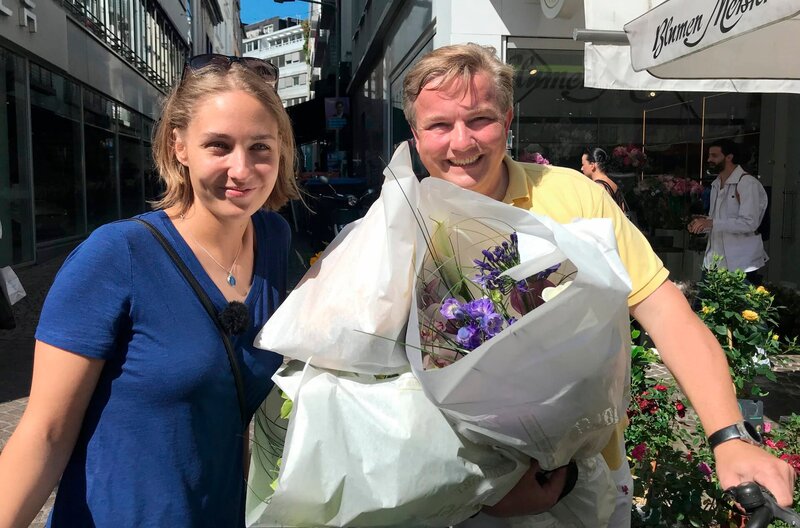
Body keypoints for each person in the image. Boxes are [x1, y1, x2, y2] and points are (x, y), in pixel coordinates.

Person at [402, 43, 794, 526]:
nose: (462, 143)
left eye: (480, 119)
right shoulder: (398, 224)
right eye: (440, 125)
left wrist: (729, 436)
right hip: (457, 492)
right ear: (415, 136)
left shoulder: (572, 196)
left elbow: (664, 311)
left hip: (586, 482)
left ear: (507, 122)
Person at [0, 54, 299, 526]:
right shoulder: (118, 255)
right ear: (180, 147)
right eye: (218, 146)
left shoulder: (275, 240)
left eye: (259, 147)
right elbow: (45, 433)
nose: (241, 170)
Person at [688, 139, 768, 284]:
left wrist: (711, 222)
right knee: (703, 305)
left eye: (714, 156)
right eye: (709, 155)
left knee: (738, 306)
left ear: (729, 157)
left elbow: (749, 223)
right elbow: (716, 220)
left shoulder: (747, 183)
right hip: (713, 262)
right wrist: (701, 225)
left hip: (740, 263)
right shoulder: (716, 184)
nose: (709, 160)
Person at [581, 147, 629, 213]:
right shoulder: (613, 183)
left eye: (583, 164)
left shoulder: (598, 187)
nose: (582, 168)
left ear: (592, 165)